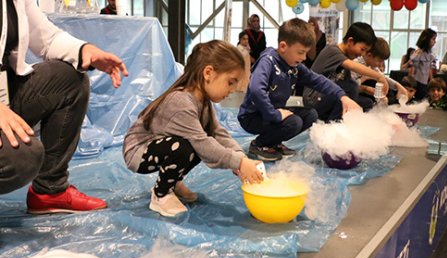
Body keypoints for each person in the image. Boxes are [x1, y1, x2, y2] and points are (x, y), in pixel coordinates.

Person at [0, 0, 128, 214]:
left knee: (69, 80)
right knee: (21, 158)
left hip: (5, 92)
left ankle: (50, 191)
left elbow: (45, 36)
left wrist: (86, 50)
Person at [123, 40, 263, 217]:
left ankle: (173, 182)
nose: (233, 90)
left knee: (198, 143)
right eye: (230, 82)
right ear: (208, 73)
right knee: (188, 147)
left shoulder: (203, 101)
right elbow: (203, 143)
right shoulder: (181, 102)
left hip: (162, 144)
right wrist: (240, 163)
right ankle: (161, 193)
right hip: (139, 152)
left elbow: (218, 133)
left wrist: (241, 158)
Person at [238, 18, 362, 161]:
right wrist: (275, 115)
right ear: (283, 46)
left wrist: (343, 97)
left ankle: (273, 142)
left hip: (272, 111)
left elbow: (318, 81)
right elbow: (256, 90)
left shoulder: (294, 66)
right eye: (301, 52)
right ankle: (259, 145)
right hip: (253, 116)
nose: (304, 58)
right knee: (294, 122)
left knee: (310, 115)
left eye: (305, 53)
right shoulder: (268, 61)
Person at [303, 22, 388, 122]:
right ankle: (334, 125)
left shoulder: (345, 59)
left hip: (326, 97)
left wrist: (366, 89)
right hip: (313, 98)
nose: (362, 54)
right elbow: (352, 66)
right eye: (362, 49)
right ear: (350, 41)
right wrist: (379, 77)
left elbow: (352, 87)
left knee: (364, 100)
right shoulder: (332, 50)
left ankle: (340, 122)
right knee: (347, 92)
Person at [353, 38, 408, 111]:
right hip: (350, 95)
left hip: (361, 93)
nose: (381, 64)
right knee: (368, 102)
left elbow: (383, 77)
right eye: (379, 61)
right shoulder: (355, 64)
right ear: (369, 55)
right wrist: (364, 81)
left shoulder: (371, 66)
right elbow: (348, 86)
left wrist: (398, 86)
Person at [410, 28, 437, 100]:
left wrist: (431, 80)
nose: (435, 42)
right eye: (433, 39)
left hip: (425, 82)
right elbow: (413, 68)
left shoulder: (429, 53)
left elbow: (429, 68)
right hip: (418, 82)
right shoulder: (419, 52)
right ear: (427, 39)